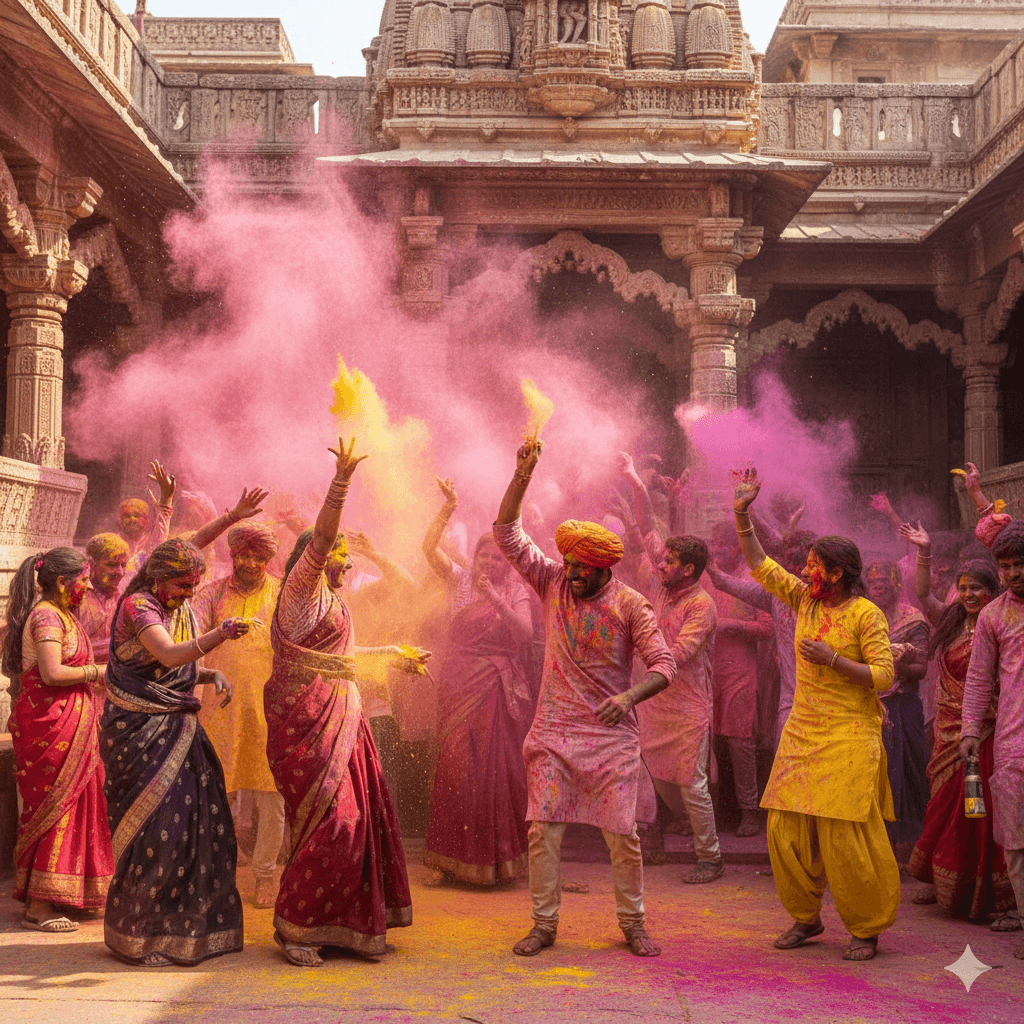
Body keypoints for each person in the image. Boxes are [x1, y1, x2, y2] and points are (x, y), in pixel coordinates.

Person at [494, 440, 677, 958]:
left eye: (581, 569)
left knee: (623, 836)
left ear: (603, 569)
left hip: (611, 736)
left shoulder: (631, 604)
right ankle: (543, 924)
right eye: (568, 564)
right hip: (553, 731)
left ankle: (633, 924)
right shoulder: (552, 581)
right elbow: (507, 533)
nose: (571, 574)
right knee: (543, 832)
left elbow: (665, 665)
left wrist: (628, 697)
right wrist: (522, 476)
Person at [264, 438, 421, 967]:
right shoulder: (301, 592)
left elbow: (342, 658)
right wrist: (341, 483)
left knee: (361, 820)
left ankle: (345, 925)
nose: (348, 562)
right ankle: (297, 927)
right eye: (341, 554)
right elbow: (323, 537)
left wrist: (393, 655)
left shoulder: (333, 601)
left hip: (344, 721)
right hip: (307, 725)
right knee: (335, 823)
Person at [732, 468, 899, 962]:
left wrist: (833, 660)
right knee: (783, 829)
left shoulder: (866, 614)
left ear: (839, 572)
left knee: (845, 834)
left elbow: (884, 676)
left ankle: (866, 928)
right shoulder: (804, 600)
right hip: (803, 731)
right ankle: (806, 918)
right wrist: (741, 513)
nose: (805, 573)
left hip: (851, 732)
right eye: (805, 566)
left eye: (813, 566)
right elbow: (760, 564)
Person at [101, 538, 250, 966]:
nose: (189, 593)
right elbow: (166, 655)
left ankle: (186, 932)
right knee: (155, 832)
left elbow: (174, 665)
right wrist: (220, 635)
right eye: (183, 585)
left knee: (195, 827)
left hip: (179, 726)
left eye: (194, 585)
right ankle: (142, 936)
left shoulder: (177, 609)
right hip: (138, 732)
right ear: (159, 579)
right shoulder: (139, 607)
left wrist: (208, 673)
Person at [899, 522, 1016, 926]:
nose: (968, 595)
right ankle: (942, 879)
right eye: (963, 588)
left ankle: (993, 895)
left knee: (979, 814)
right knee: (944, 808)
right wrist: (924, 552)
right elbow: (922, 594)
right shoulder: (951, 619)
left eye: (976, 589)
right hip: (950, 730)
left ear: (994, 591)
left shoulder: (1002, 623)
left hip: (989, 731)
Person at [422, 476, 535, 887]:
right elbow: (427, 549)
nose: (490, 563)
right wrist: (447, 508)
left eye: (499, 559)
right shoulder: (459, 579)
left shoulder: (516, 591)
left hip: (496, 689)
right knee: (455, 765)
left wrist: (496, 600)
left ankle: (498, 861)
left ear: (509, 563)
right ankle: (448, 859)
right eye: (484, 556)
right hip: (458, 684)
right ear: (475, 557)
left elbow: (525, 634)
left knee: (497, 769)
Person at [2, 548, 113, 933]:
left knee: (78, 802)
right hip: (50, 725)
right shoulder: (47, 615)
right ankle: (38, 906)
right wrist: (97, 672)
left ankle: (66, 894)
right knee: (56, 808)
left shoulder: (63, 613)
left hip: (71, 722)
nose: (88, 585)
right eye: (83, 579)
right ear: (63, 582)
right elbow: (51, 673)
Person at [192, 521, 283, 911]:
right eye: (243, 555)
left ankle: (265, 876)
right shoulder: (212, 594)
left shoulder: (282, 593)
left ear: (268, 559)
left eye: (258, 557)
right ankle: (218, 875)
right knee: (217, 793)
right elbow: (190, 638)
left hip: (268, 710)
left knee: (271, 795)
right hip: (220, 708)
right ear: (232, 555)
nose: (249, 563)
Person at [634, 533, 724, 884]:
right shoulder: (661, 591)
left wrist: (638, 682)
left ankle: (710, 858)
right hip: (655, 703)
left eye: (668, 561)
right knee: (659, 776)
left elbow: (681, 653)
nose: (660, 565)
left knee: (692, 784)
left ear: (688, 570)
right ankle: (688, 822)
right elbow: (644, 535)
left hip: (688, 706)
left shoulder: (702, 605)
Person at [961, 520, 1024, 962]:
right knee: (1017, 843)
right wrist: (969, 729)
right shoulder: (993, 616)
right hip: (1012, 745)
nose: (1014, 574)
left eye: (1020, 564)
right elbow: (979, 678)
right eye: (1006, 566)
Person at [707, 529, 814, 746]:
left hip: (827, 705)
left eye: (805, 564)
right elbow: (722, 581)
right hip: (791, 702)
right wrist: (709, 564)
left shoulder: (839, 606)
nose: (798, 570)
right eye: (789, 561)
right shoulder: (776, 597)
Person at [706, 522, 773, 837]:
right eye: (714, 542)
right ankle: (712, 814)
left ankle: (749, 813)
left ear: (737, 547)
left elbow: (768, 627)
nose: (717, 549)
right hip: (709, 671)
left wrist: (732, 625)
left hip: (740, 673)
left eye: (723, 543)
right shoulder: (707, 578)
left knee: (739, 744)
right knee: (707, 742)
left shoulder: (753, 580)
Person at [864, 559, 930, 854]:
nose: (878, 587)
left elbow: (921, 668)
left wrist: (894, 663)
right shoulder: (863, 615)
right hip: (869, 706)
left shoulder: (912, 619)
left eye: (883, 581)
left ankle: (909, 847)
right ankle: (878, 845)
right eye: (873, 581)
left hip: (902, 706)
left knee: (906, 772)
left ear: (897, 584)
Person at [79, 533, 130, 665]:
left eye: (123, 565)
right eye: (112, 565)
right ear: (91, 564)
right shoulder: (77, 596)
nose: (120, 572)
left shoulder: (126, 596)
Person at [119, 460, 176, 577]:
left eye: (137, 515)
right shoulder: (114, 543)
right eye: (127, 516)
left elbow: (154, 549)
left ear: (146, 519)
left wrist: (166, 502)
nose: (132, 519)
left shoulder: (152, 541)